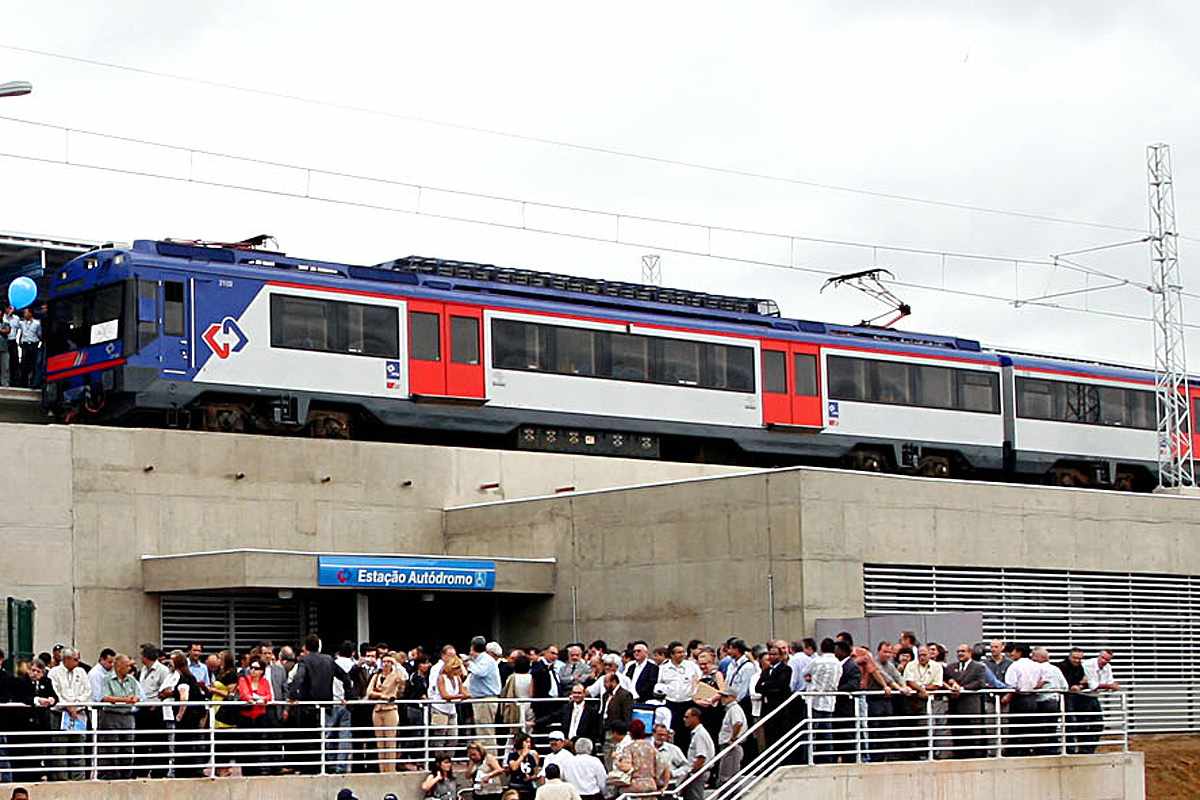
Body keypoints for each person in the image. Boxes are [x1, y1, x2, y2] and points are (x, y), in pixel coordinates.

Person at [288, 634, 353, 774]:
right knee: (326, 737)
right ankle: (326, 767)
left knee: (310, 738)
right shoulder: (329, 659)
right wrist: (349, 695)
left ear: (306, 647)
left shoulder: (304, 660)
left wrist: (292, 696)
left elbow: (299, 677)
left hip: (309, 705)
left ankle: (312, 768)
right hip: (327, 704)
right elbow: (345, 677)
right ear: (319, 646)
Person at [47, 647, 90, 781]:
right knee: (60, 749)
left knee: (78, 747)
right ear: (66, 659)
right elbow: (55, 692)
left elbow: (87, 690)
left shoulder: (81, 671)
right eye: (75, 659)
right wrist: (67, 705)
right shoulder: (54, 673)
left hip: (79, 713)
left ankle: (78, 779)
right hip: (60, 714)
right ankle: (62, 779)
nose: (78, 662)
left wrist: (76, 705)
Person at [96, 654, 140, 779]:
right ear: (119, 666)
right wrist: (125, 699)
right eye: (127, 666)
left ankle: (126, 774)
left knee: (127, 747)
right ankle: (111, 774)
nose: (129, 668)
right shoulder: (107, 679)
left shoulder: (132, 680)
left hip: (128, 716)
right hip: (111, 715)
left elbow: (137, 695)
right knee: (111, 746)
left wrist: (134, 699)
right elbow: (105, 697)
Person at [944, 643, 987, 759]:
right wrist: (951, 685)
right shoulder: (950, 667)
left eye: (963, 651)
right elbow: (945, 679)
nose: (960, 654)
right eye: (958, 651)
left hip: (970, 707)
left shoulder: (979, 667)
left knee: (972, 735)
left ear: (970, 653)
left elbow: (980, 682)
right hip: (954, 707)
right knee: (957, 735)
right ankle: (958, 756)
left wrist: (962, 689)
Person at [1002, 643, 1043, 757]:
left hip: (1019, 699)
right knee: (1030, 726)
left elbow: (1012, 685)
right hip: (1033, 698)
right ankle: (1028, 749)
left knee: (1017, 726)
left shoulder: (1015, 666)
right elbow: (1040, 682)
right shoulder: (1037, 666)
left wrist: (1007, 697)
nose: (1011, 654)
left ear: (1019, 652)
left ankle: (1015, 751)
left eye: (1013, 651)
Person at [657, 642, 700, 747]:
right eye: (679, 652)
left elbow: (699, 681)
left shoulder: (692, 666)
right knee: (672, 731)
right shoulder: (663, 668)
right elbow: (658, 685)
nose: (682, 654)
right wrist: (664, 690)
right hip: (671, 703)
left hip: (687, 703)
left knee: (687, 732)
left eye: (683, 652)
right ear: (672, 654)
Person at [367, 655, 405, 772]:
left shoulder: (395, 675)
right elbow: (369, 692)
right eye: (384, 661)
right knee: (380, 741)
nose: (386, 664)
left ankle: (391, 769)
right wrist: (382, 696)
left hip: (390, 710)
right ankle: (382, 769)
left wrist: (396, 664)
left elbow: (403, 679)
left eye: (389, 662)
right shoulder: (376, 676)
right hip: (378, 710)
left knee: (390, 741)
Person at [235, 658, 273, 776]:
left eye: (256, 668)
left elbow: (269, 696)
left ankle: (258, 770)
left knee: (258, 744)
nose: (252, 670)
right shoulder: (243, 679)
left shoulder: (265, 682)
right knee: (245, 745)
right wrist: (255, 699)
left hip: (260, 717)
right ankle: (247, 771)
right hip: (246, 717)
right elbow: (244, 694)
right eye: (251, 668)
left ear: (262, 671)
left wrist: (261, 699)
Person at [1078, 649, 1118, 754]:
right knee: (1083, 724)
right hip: (1081, 697)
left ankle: (1088, 749)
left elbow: (1108, 682)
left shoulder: (1107, 667)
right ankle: (1083, 749)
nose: (1104, 661)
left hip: (1093, 697)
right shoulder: (1087, 664)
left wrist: (1108, 685)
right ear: (1099, 656)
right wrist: (1109, 686)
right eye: (1103, 658)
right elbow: (1093, 685)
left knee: (1098, 724)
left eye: (1107, 660)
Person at [468, 637, 503, 751]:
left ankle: (490, 760)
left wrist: (468, 663)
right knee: (481, 731)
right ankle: (486, 759)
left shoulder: (486, 660)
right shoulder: (481, 660)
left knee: (486, 732)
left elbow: (480, 672)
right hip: (480, 699)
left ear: (473, 647)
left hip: (486, 699)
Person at [615, 718, 664, 794]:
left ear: (630, 733)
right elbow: (661, 766)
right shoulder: (652, 748)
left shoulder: (629, 748)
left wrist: (617, 761)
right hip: (651, 785)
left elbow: (626, 767)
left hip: (634, 786)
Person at [681, 707, 715, 800]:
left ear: (695, 717)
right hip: (698, 773)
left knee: (694, 797)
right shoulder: (698, 733)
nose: (684, 719)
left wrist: (691, 773)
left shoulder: (700, 734)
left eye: (687, 717)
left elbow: (701, 757)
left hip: (698, 774)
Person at [715, 689, 746, 786]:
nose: (722, 698)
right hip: (730, 746)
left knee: (728, 777)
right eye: (722, 696)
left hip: (731, 746)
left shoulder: (734, 709)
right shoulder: (731, 709)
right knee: (727, 775)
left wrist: (733, 738)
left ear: (733, 697)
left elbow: (738, 723)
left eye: (726, 696)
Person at [505, 730, 540, 800]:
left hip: (528, 789)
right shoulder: (512, 755)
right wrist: (523, 756)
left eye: (530, 742)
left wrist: (530, 778)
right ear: (520, 742)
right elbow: (514, 767)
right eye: (527, 742)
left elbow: (536, 774)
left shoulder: (531, 756)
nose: (529, 744)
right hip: (515, 788)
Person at [16, 308, 40, 388]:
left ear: (30, 313)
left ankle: (33, 382)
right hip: (25, 344)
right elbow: (16, 325)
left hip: (33, 344)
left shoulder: (37, 323)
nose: (24, 314)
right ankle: (23, 383)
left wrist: (38, 343)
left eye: (26, 313)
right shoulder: (22, 323)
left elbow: (39, 334)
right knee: (24, 365)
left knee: (34, 364)